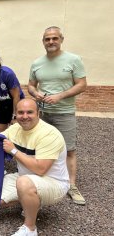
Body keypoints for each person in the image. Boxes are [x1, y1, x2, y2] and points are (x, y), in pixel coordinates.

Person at [28, 26, 87, 205]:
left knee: (68, 149)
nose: (51, 42)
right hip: (42, 112)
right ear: (43, 41)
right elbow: (31, 85)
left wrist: (60, 96)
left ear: (61, 39)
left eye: (54, 38)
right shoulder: (37, 63)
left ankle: (72, 186)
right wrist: (35, 93)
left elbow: (82, 84)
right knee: (39, 146)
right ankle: (42, 177)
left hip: (64, 112)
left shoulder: (73, 60)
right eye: (47, 39)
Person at [0, 99, 69, 236]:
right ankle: (32, 202)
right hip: (26, 177)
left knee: (24, 183)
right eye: (20, 112)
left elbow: (40, 169)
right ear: (16, 114)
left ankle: (30, 228)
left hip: (53, 182)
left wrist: (14, 151)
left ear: (38, 113)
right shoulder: (15, 129)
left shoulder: (49, 134)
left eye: (29, 112)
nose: (25, 116)